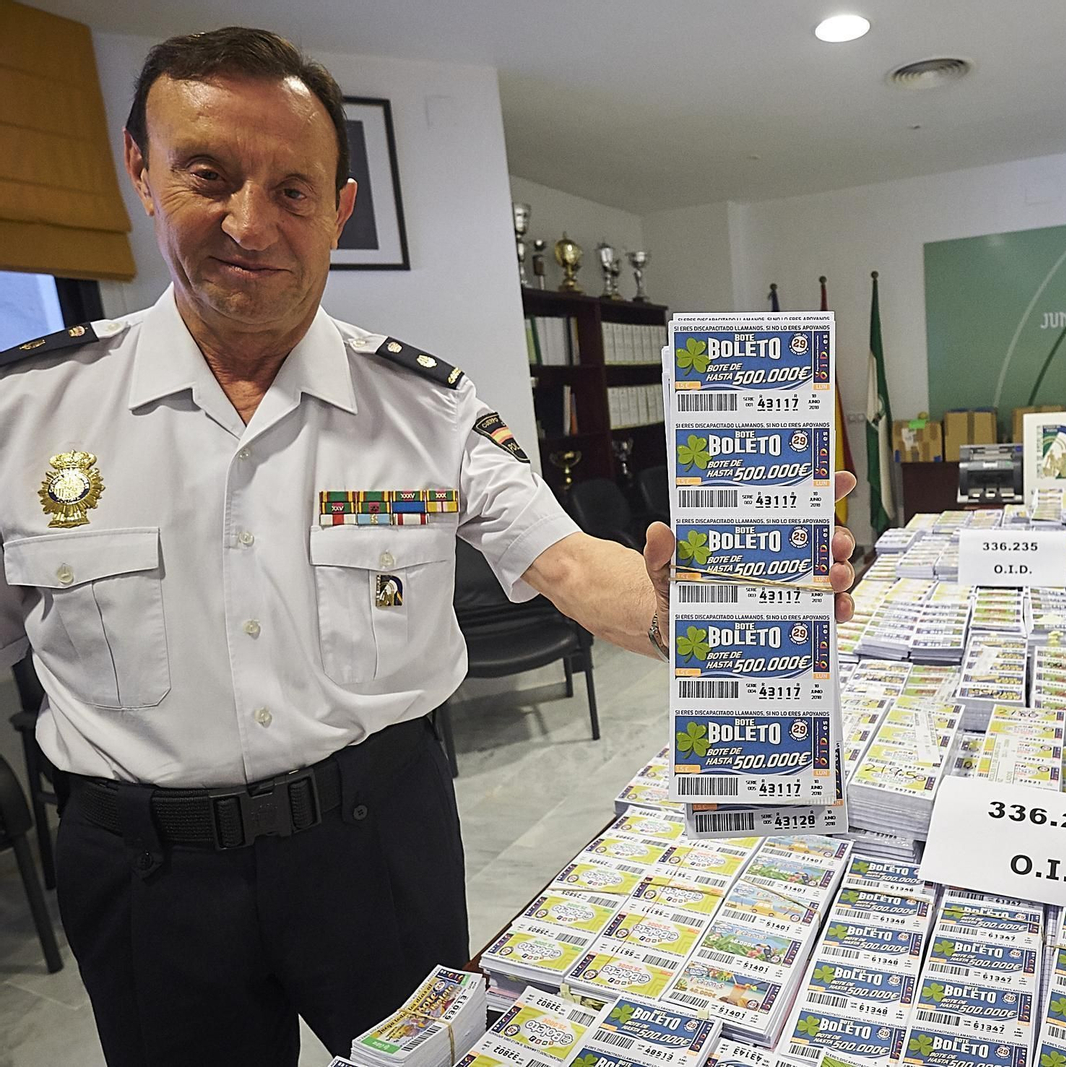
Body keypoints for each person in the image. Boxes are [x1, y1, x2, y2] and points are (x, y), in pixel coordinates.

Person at [0, 27, 854, 1067]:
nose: (249, 221)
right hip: (145, 874)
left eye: (292, 189)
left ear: (339, 209)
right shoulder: (27, 417)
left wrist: (726, 606)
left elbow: (573, 566)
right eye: (207, 176)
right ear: (140, 171)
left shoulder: (425, 407)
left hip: (374, 848)